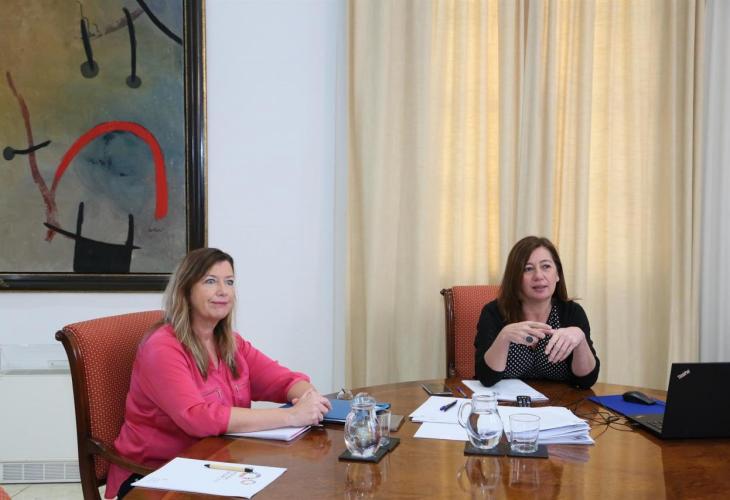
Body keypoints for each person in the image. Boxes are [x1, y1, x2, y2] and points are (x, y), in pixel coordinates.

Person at [106, 248, 331, 499]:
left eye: (229, 282)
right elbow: (197, 417)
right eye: (211, 281)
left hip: (217, 465)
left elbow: (282, 380)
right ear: (186, 289)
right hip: (155, 475)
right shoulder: (162, 348)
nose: (223, 291)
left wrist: (308, 398)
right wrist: (291, 416)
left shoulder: (231, 343)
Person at [474, 236, 599, 389]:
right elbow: (486, 378)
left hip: (560, 402)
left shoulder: (572, 312)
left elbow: (586, 381)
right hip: (504, 402)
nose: (539, 276)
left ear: (557, 274)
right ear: (515, 277)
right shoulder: (494, 312)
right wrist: (504, 337)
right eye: (528, 269)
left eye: (546, 266)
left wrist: (580, 339)